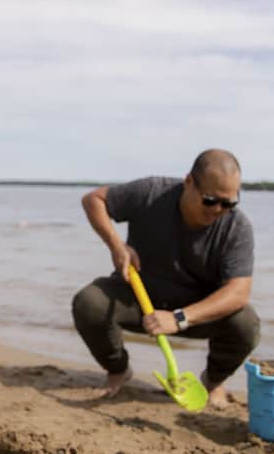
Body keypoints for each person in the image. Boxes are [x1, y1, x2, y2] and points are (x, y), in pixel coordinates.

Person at [71, 149, 260, 406]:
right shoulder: (152, 193)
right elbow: (93, 200)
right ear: (189, 182)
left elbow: (238, 292)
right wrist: (116, 245)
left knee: (245, 324)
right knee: (89, 303)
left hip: (194, 311)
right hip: (140, 298)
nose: (218, 210)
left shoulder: (237, 228)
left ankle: (213, 382)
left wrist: (180, 318)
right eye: (210, 200)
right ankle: (118, 370)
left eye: (228, 203)